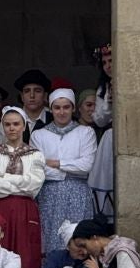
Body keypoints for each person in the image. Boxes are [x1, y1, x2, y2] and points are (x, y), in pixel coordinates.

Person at [0, 107, 47, 268]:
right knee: (0, 247)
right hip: (0, 207)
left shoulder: (35, 154)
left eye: (16, 124)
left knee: (26, 250)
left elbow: (33, 185)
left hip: (26, 209)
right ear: (2, 126)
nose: (12, 128)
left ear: (24, 126)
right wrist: (20, 182)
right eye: (7, 124)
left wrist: (6, 179)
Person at [30, 88, 97, 255]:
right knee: (51, 237)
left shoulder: (85, 132)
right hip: (49, 195)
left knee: (78, 237)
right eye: (57, 107)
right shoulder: (39, 135)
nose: (61, 112)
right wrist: (69, 170)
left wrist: (57, 163)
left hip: (78, 193)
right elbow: (38, 167)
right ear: (50, 109)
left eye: (66, 107)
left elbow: (87, 165)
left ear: (73, 108)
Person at [89, 45, 114, 222]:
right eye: (104, 62)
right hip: (112, 135)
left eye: (111, 61)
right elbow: (99, 120)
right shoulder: (103, 88)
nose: (108, 65)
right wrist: (108, 102)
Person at [10, 69, 52, 142]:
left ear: (45, 96)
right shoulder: (10, 120)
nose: (32, 95)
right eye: (27, 91)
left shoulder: (54, 120)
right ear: (22, 96)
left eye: (37, 91)